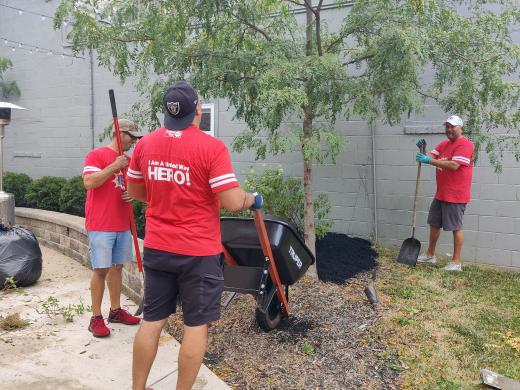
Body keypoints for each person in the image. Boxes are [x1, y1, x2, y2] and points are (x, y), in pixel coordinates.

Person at [127, 80, 263, 390]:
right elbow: (231, 200)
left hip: (159, 248)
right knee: (195, 324)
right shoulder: (211, 147)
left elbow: (137, 190)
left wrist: (167, 193)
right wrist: (251, 198)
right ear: (197, 111)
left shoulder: (146, 144)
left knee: (152, 320)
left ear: (168, 112)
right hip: (198, 253)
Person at [83, 119, 143, 337]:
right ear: (121, 133)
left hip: (122, 223)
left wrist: (133, 195)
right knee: (101, 269)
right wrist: (113, 167)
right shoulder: (97, 155)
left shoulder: (129, 161)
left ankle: (115, 311)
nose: (135, 142)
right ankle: (95, 318)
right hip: (101, 224)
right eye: (133, 137)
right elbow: (89, 182)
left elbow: (135, 188)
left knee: (117, 267)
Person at [415, 115, 475, 272]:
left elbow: (454, 165)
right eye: (447, 126)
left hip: (456, 195)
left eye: (452, 126)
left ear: (461, 127)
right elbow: (432, 156)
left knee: (456, 227)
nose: (449, 129)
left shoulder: (465, 144)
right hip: (441, 193)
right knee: (434, 223)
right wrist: (423, 150)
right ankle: (430, 255)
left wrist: (428, 160)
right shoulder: (444, 144)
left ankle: (456, 263)